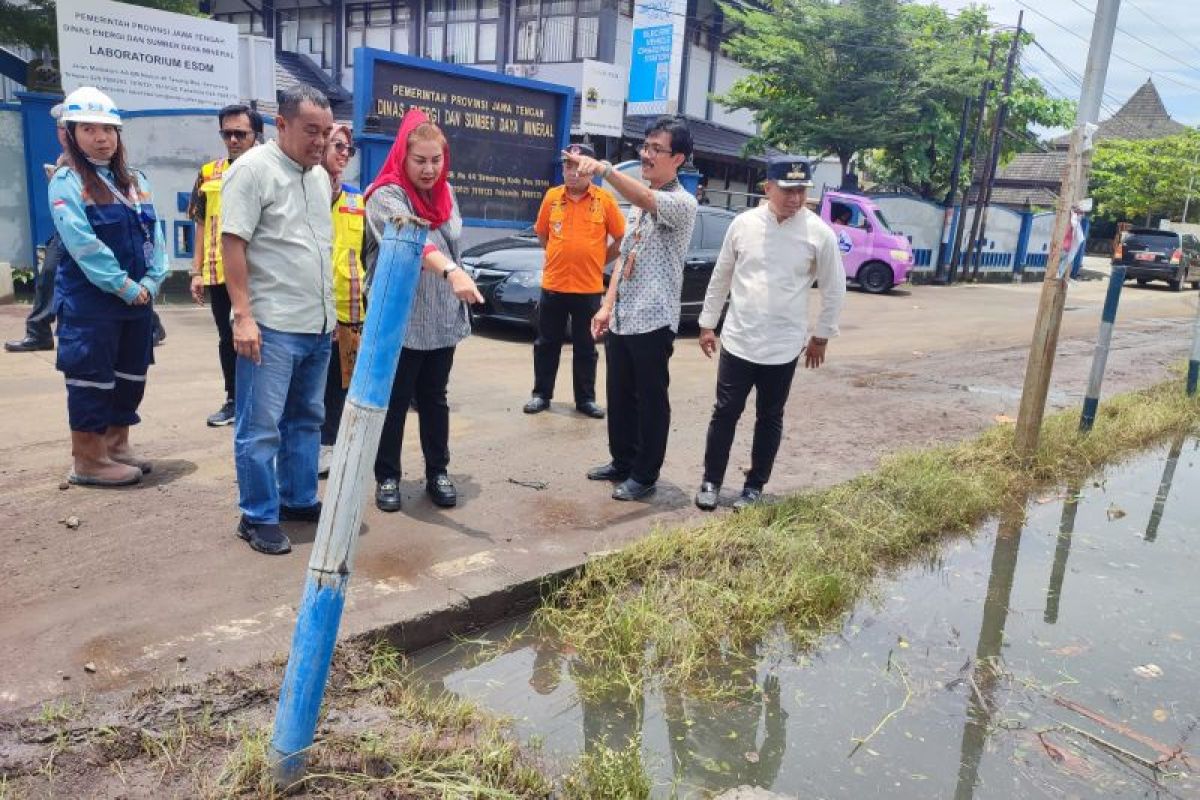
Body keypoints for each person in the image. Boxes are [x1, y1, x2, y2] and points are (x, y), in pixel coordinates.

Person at [220, 85, 335, 556]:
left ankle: (299, 498)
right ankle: (257, 516)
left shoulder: (319, 177)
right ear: (282, 124)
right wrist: (242, 316)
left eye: (326, 132)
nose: (321, 141)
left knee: (306, 419)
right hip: (271, 325)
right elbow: (232, 243)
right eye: (311, 131)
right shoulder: (252, 171)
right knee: (261, 425)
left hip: (316, 324)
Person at [693, 157, 845, 512]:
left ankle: (754, 486)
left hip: (783, 345)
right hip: (739, 338)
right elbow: (722, 276)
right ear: (768, 188)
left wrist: (821, 336)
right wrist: (707, 323)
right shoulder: (743, 225)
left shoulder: (819, 233)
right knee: (725, 412)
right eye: (788, 190)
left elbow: (834, 288)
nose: (795, 198)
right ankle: (711, 481)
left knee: (770, 416)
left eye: (801, 191)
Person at [567, 117, 699, 502]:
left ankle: (645, 473)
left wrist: (605, 170)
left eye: (656, 149)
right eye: (645, 146)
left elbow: (646, 198)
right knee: (620, 395)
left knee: (650, 400)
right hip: (625, 317)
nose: (646, 154)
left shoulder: (681, 202)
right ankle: (622, 461)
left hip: (654, 319)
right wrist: (606, 306)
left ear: (677, 158)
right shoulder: (638, 208)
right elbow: (625, 257)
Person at [364, 108, 483, 513]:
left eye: (437, 160)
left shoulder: (446, 195)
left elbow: (452, 242)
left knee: (435, 397)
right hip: (402, 318)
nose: (430, 169)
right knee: (395, 400)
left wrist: (456, 280)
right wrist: (452, 272)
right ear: (403, 156)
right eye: (420, 160)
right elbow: (411, 238)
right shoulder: (385, 194)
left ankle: (438, 472)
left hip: (442, 315)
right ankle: (387, 477)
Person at [48, 86, 169, 486]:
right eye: (89, 129)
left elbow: (157, 236)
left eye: (109, 129)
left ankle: (117, 447)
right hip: (92, 306)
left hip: (137, 300)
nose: (101, 138)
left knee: (130, 376)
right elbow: (84, 245)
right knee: (91, 379)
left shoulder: (137, 181)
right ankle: (88, 460)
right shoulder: (67, 182)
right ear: (72, 133)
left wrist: (153, 278)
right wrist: (124, 286)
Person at [523, 142, 625, 419]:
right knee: (546, 344)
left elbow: (622, 238)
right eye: (568, 166)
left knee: (585, 348)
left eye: (578, 166)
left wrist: (598, 259)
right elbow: (543, 233)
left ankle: (586, 400)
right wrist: (559, 255)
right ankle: (541, 394)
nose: (572, 172)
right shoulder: (552, 197)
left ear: (591, 170)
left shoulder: (604, 201)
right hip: (554, 286)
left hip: (588, 289)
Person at [186, 103, 263, 427]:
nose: (233, 140)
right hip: (219, 271)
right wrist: (197, 270)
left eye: (240, 133)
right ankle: (234, 399)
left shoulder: (267, 169)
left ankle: (261, 401)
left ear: (256, 134)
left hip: (259, 272)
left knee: (265, 335)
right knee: (227, 337)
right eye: (227, 133)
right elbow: (200, 223)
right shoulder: (209, 174)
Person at [318, 124, 365, 477]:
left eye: (348, 147)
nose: (344, 152)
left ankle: (330, 446)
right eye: (338, 145)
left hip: (349, 312)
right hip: (312, 310)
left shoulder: (356, 199)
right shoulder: (304, 190)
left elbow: (365, 252)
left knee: (338, 384)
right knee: (309, 386)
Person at [6, 104, 69, 353]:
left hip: (91, 229)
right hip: (67, 230)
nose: (63, 133)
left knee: (111, 277)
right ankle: (39, 331)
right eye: (60, 128)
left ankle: (150, 325)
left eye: (67, 127)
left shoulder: (92, 156)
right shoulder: (63, 159)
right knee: (49, 277)